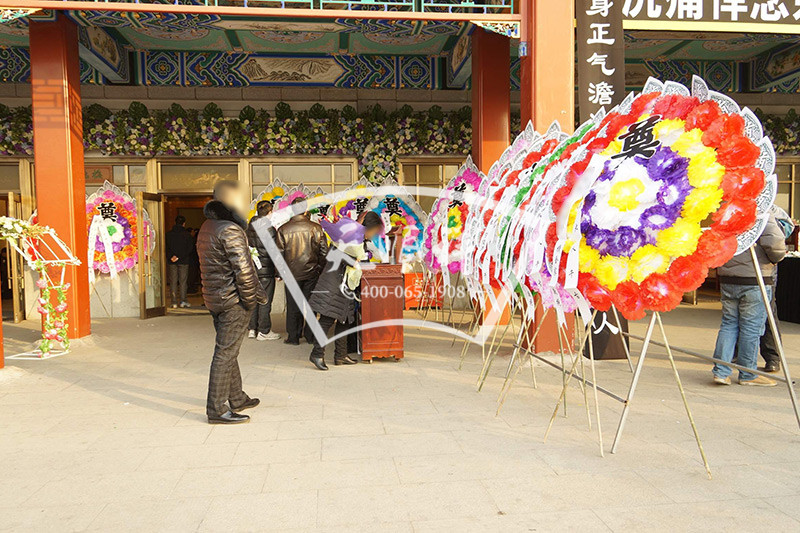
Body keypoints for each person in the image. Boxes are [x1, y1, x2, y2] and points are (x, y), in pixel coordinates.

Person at [197, 180, 267, 424]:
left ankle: (237, 397)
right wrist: (250, 301)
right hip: (232, 300)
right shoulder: (230, 229)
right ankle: (215, 409)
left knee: (229, 350)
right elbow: (244, 271)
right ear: (229, 201)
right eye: (242, 198)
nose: (246, 203)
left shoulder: (208, 226)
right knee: (225, 354)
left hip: (216, 298)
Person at [712, 212, 787, 387]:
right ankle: (748, 373)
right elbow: (775, 245)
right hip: (755, 277)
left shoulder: (726, 212)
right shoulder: (760, 212)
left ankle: (721, 372)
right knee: (751, 328)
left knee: (729, 324)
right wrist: (777, 259)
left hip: (728, 276)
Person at [308, 212, 383, 370]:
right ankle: (316, 354)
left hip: (345, 285)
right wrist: (355, 262)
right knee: (327, 320)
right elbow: (335, 255)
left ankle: (340, 355)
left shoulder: (358, 239)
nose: (374, 234)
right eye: (374, 231)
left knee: (345, 319)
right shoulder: (348, 236)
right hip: (333, 283)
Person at [276, 197, 328, 346]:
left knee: (293, 306)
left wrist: (279, 274)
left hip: (291, 273)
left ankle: (293, 337)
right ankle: (310, 336)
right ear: (306, 210)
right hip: (312, 272)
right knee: (311, 305)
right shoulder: (315, 228)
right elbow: (323, 252)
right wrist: (322, 269)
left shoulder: (283, 229)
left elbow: (278, 254)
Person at [759, 205, 795, 373]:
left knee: (767, 313)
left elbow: (785, 231)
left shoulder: (770, 208)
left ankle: (771, 356)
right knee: (736, 316)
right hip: (757, 270)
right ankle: (739, 354)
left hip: (762, 270)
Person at [246, 200, 280, 341]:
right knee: (265, 300)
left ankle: (252, 329)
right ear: (269, 212)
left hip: (252, 269)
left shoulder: (249, 228)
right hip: (266, 271)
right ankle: (264, 331)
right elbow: (274, 252)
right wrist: (278, 272)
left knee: (253, 299)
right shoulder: (269, 229)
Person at [165, 214, 195, 308]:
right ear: (184, 224)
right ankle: (183, 301)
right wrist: (179, 256)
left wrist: (172, 256)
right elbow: (189, 249)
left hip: (172, 261)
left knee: (173, 282)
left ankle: (173, 302)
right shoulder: (187, 235)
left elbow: (166, 247)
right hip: (183, 261)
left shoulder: (168, 234)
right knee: (183, 282)